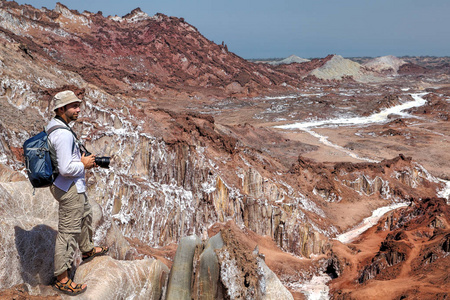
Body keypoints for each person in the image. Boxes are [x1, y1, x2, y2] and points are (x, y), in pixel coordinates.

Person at [47, 90, 108, 295]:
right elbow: (65, 168)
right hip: (68, 186)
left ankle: (88, 249)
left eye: (78, 105)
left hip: (72, 186)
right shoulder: (63, 134)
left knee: (85, 215)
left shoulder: (59, 127)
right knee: (68, 232)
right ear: (61, 109)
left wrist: (81, 159)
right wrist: (83, 163)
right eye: (73, 106)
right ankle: (62, 278)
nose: (78, 109)